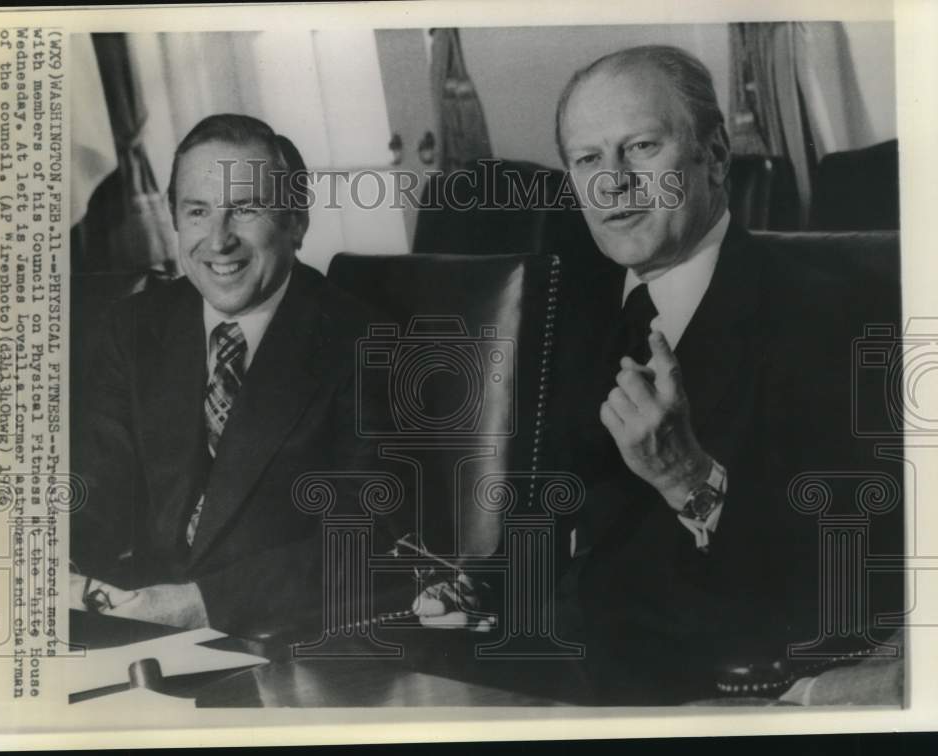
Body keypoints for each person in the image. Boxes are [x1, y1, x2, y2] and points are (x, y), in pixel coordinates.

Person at [416, 45, 902, 703]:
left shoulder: (835, 313)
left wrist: (689, 479)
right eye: (587, 159)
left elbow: (850, 577)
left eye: (641, 147)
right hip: (558, 664)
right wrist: (487, 587)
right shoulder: (571, 305)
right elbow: (553, 506)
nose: (611, 182)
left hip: (707, 682)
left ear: (716, 156)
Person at [70, 114, 386, 637]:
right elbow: (98, 484)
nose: (218, 241)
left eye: (245, 210)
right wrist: (56, 562)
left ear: (297, 221)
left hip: (287, 637)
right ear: (175, 219)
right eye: (198, 212)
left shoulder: (363, 342)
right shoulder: (134, 327)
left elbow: (368, 539)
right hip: (140, 623)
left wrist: (202, 605)